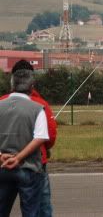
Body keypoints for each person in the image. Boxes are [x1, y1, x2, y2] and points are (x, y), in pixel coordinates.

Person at [1, 60, 57, 217]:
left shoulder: (1, 102)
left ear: (12, 81)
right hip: (34, 166)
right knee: (40, 209)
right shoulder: (40, 105)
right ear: (32, 84)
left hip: (3, 164)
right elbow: (49, 136)